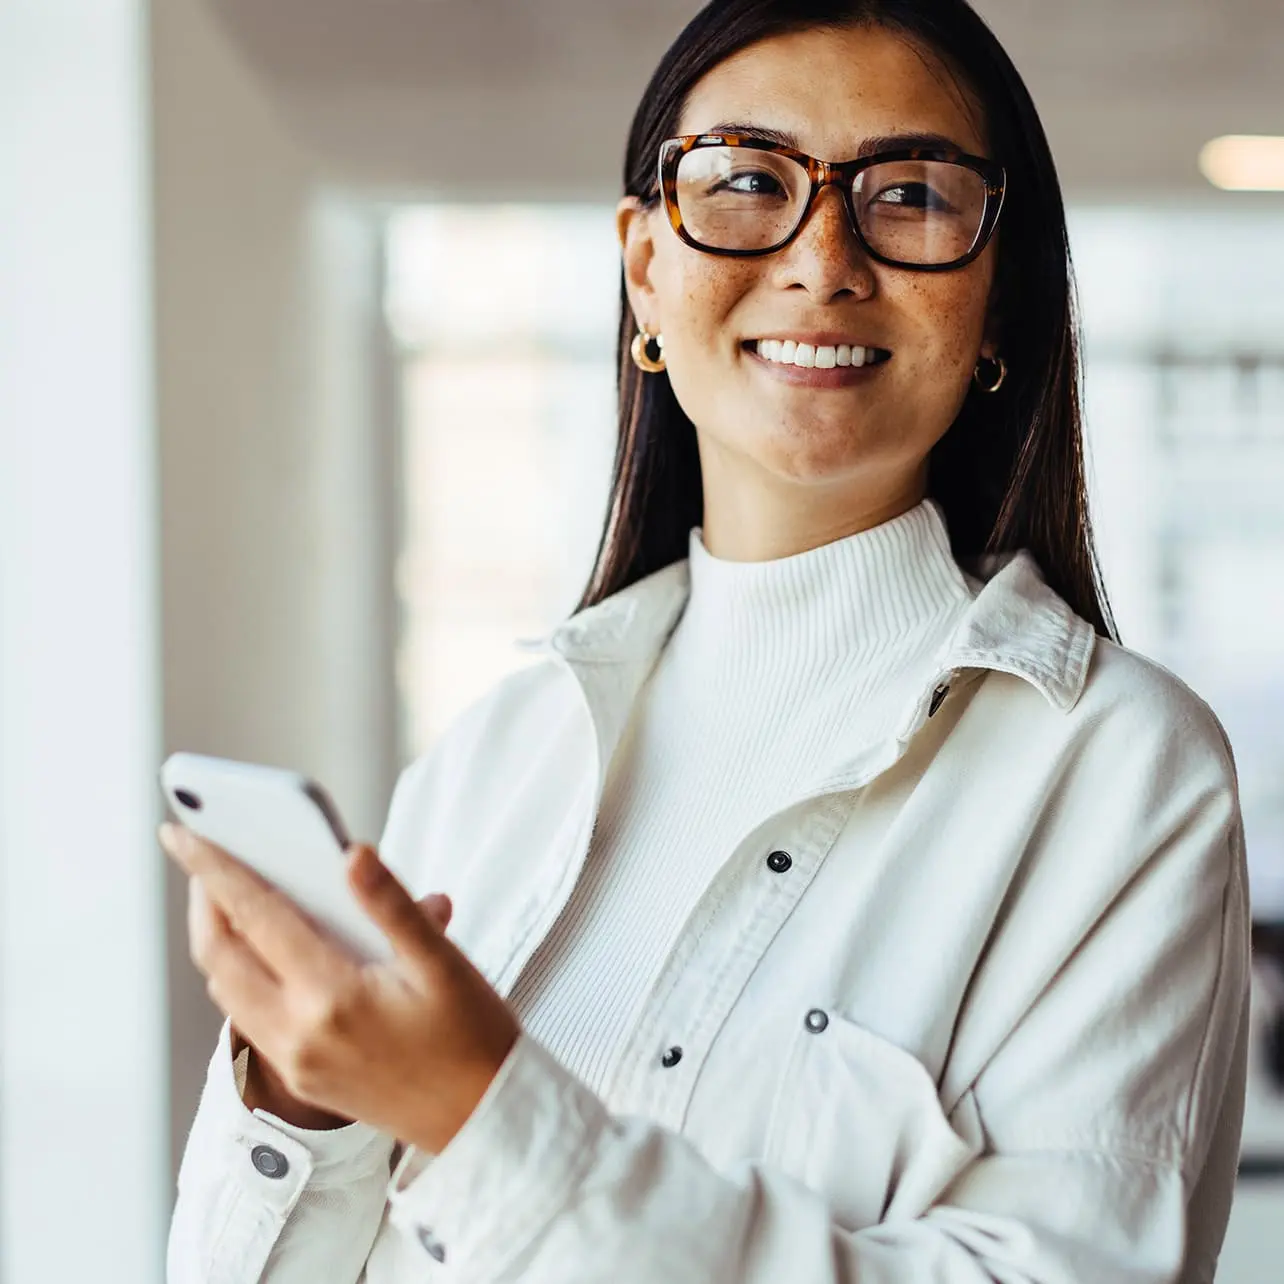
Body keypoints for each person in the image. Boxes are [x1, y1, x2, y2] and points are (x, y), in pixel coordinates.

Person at [162, 1, 1251, 1281]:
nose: (824, 258)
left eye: (908, 194)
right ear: (645, 269)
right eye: (745, 181)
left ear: (998, 298)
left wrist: (477, 1110)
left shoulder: (1124, 773)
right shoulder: (499, 751)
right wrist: (311, 1100)